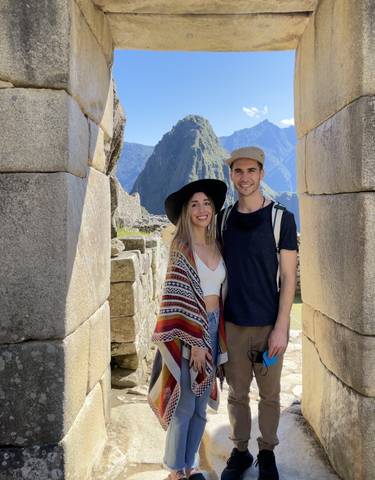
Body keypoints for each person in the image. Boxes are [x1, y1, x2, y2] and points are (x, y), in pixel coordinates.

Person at [217, 147, 298, 480]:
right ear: (232, 175)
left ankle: (266, 453)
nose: (245, 177)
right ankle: (240, 452)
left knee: (269, 395)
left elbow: (290, 278)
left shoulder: (281, 218)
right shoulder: (223, 219)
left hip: (268, 328)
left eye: (251, 171)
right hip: (234, 326)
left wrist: (282, 328)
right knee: (236, 394)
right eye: (239, 171)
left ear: (262, 173)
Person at [148, 179, 229, 480]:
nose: (201, 209)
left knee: (200, 407)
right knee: (184, 403)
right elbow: (176, 294)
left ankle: (190, 464)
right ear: (186, 211)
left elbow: (222, 294)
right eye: (194, 204)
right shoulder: (181, 248)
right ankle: (175, 470)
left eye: (206, 203)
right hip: (187, 333)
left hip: (212, 330)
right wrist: (194, 342)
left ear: (213, 208)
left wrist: (213, 339)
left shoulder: (217, 245)